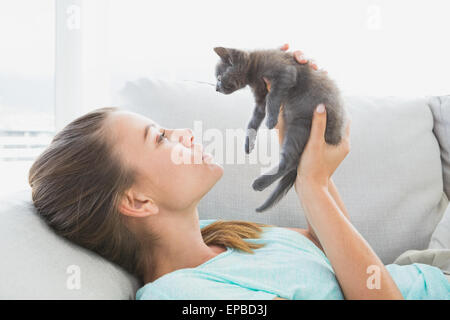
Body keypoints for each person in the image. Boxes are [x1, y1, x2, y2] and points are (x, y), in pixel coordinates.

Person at [28, 45, 450, 300]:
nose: (184, 135)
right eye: (159, 138)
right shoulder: (182, 294)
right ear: (137, 200)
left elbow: (328, 252)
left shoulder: (220, 234)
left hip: (428, 271)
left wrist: (303, 155)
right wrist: (313, 185)